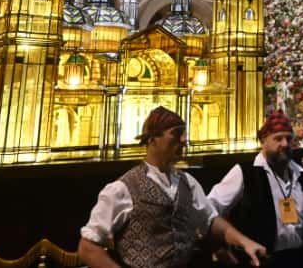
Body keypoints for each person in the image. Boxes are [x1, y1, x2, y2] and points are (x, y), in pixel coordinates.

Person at [79, 106, 265, 268]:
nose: (184, 139)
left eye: (184, 133)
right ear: (152, 139)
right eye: (176, 133)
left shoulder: (187, 182)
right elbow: (88, 248)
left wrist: (245, 242)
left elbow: (210, 222)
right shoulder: (122, 189)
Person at [209, 111, 303, 267]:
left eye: (288, 138)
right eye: (278, 138)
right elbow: (209, 209)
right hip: (262, 261)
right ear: (263, 141)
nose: (284, 144)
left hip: (301, 260)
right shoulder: (245, 173)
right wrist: (219, 244)